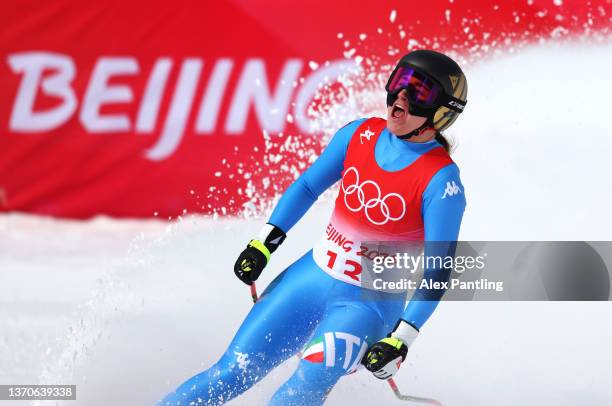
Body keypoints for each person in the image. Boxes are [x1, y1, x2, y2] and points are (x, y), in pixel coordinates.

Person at [159, 49, 468, 405]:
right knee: (230, 373)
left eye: (419, 92)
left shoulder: (442, 182)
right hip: (310, 278)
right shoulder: (359, 135)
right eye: (400, 82)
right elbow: (307, 187)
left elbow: (438, 272)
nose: (401, 96)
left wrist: (402, 339)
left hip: (368, 306)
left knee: (297, 391)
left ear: (441, 112)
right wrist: (263, 243)